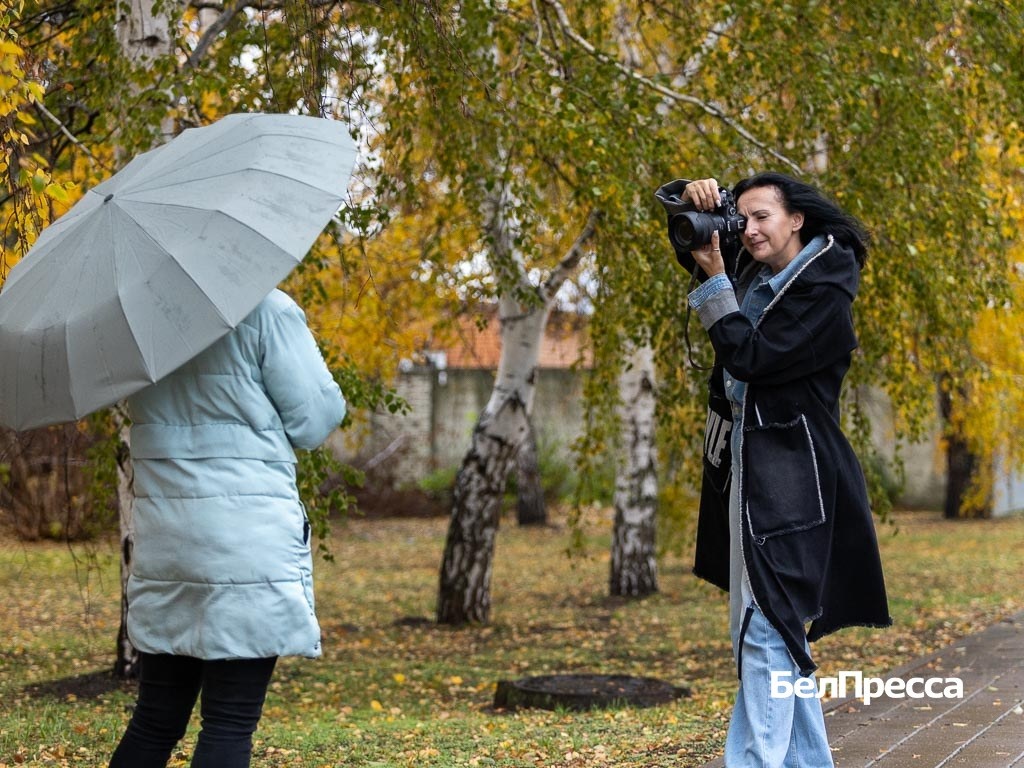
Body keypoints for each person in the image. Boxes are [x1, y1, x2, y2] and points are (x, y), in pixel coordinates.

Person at [669, 173, 891, 767]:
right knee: (777, 637)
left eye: (762, 216)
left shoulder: (823, 295)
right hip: (750, 472)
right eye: (742, 217)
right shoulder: (757, 277)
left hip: (799, 483)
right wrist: (692, 199)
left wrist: (716, 278)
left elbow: (749, 355)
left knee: (766, 632)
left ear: (797, 220)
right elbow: (689, 240)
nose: (750, 229)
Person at [109, 288, 347, 768]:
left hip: (168, 543)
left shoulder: (137, 319)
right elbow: (315, 422)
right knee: (229, 722)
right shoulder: (265, 308)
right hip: (246, 544)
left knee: (154, 720)